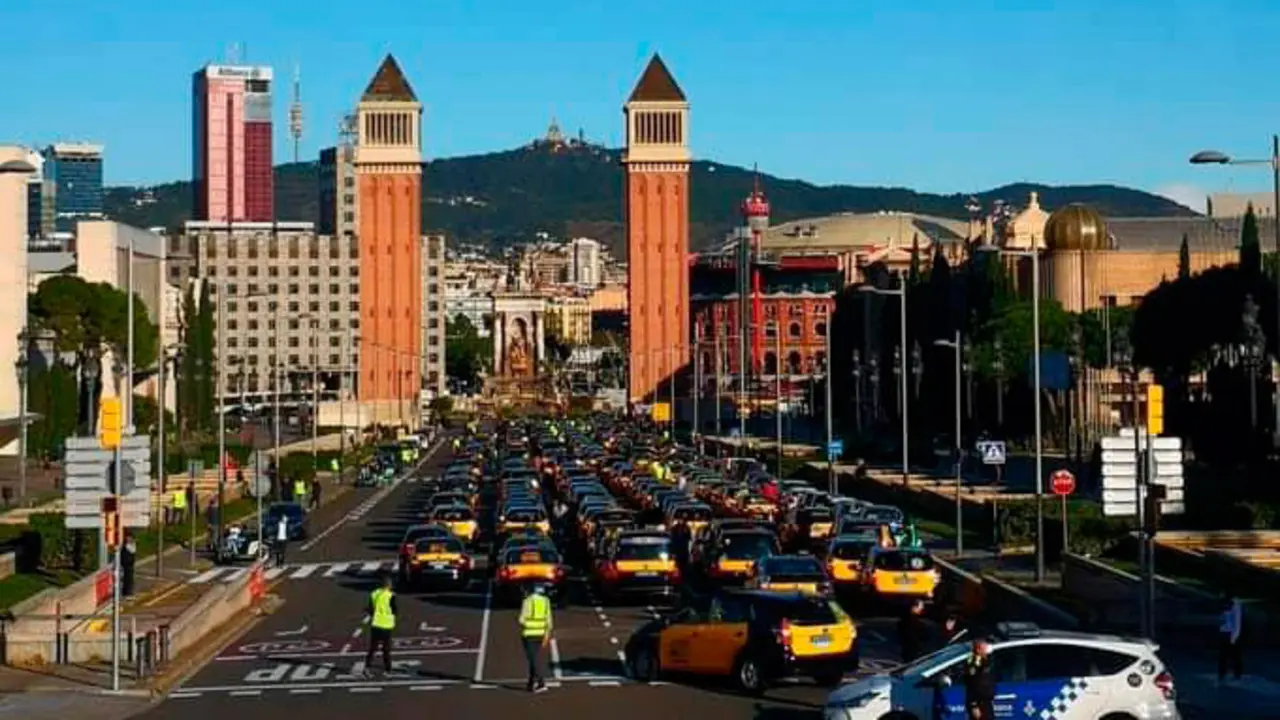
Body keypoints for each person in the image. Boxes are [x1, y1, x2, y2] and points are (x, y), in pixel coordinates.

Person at [518, 583, 553, 693]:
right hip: (541, 634)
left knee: (533, 660)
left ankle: (541, 683)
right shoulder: (546, 601)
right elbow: (549, 621)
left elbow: (521, 620)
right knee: (534, 659)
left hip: (529, 634)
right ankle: (531, 683)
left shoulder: (527, 601)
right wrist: (547, 635)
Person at [363, 574, 397, 678]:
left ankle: (367, 668)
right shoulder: (391, 595)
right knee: (386, 649)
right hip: (386, 624)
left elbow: (370, 608)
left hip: (376, 623)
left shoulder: (374, 594)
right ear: (388, 585)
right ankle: (388, 670)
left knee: (373, 648)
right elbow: (394, 609)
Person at [964, 638, 996, 720]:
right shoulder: (974, 662)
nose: (987, 648)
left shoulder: (985, 660)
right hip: (979, 704)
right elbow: (971, 684)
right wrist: (974, 705)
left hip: (986, 702)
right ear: (978, 650)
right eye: (984, 647)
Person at [1219, 592, 1244, 684]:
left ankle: (1237, 673)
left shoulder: (1235, 604)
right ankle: (1222, 673)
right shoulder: (1225, 603)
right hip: (1224, 631)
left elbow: (1237, 622)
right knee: (1223, 655)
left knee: (1235, 655)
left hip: (1231, 633)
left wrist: (1234, 637)